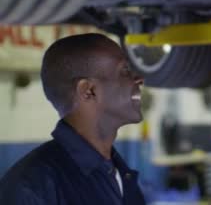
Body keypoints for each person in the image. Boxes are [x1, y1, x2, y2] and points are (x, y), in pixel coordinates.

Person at [0, 34, 146, 205]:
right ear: (88, 90)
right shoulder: (32, 186)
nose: (139, 79)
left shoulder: (120, 173)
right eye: (125, 70)